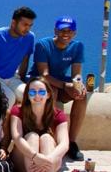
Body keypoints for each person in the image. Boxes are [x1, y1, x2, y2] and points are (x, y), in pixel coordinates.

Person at [28, 15, 86, 161]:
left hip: (61, 83)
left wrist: (77, 85)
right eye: (62, 30)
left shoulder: (77, 46)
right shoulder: (43, 45)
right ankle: (52, 138)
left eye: (69, 31)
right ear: (55, 30)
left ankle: (71, 142)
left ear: (75, 33)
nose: (65, 34)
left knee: (81, 95)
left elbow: (76, 73)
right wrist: (66, 86)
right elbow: (44, 75)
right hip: (40, 81)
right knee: (50, 92)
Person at [10, 77, 69, 172]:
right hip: (24, 157)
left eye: (41, 92)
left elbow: (64, 144)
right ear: (28, 95)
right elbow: (17, 138)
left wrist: (48, 159)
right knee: (32, 137)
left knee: (47, 138)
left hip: (49, 160)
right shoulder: (18, 111)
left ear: (48, 94)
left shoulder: (58, 115)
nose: (37, 96)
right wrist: (35, 156)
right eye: (32, 92)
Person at [0, 7, 36, 108]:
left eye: (30, 25)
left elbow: (25, 60)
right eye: (25, 25)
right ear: (13, 22)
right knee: (10, 98)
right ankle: (5, 124)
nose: (28, 29)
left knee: (30, 95)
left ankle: (24, 123)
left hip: (12, 77)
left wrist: (22, 78)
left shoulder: (30, 37)